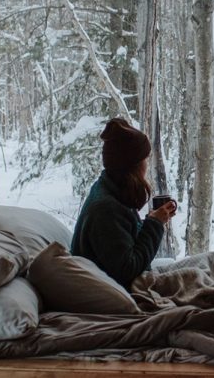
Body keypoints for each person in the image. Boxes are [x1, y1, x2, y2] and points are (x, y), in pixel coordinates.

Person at [71, 117, 177, 289]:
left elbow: (119, 240)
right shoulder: (106, 209)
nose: (147, 164)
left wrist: (150, 221)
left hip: (125, 281)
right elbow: (128, 269)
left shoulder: (110, 190)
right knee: (208, 269)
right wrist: (155, 224)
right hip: (118, 290)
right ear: (133, 165)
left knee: (209, 262)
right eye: (145, 159)